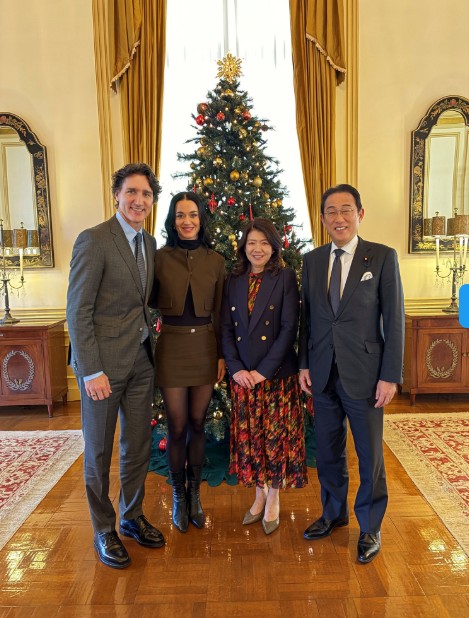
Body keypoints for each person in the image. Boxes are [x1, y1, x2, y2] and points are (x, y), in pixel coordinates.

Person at [66, 163, 165, 569]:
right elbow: (78, 310)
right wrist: (91, 370)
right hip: (102, 368)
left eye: (146, 194)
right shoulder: (94, 240)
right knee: (99, 450)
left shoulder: (150, 243)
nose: (139, 201)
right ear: (117, 196)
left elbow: (143, 302)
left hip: (141, 361)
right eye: (132, 193)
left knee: (137, 445)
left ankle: (131, 516)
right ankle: (103, 529)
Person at [299, 183, 404, 564]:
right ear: (322, 218)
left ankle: (370, 526)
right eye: (331, 211)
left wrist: (390, 376)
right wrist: (303, 363)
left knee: (369, 454)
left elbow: (394, 320)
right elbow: (308, 319)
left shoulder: (382, 257)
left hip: (366, 375)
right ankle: (333, 513)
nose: (339, 217)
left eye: (346, 210)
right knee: (328, 451)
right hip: (322, 372)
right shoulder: (312, 261)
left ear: (360, 214)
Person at [221, 218, 307, 535]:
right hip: (243, 379)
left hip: (276, 377)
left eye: (264, 243)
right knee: (253, 440)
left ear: (274, 247)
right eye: (252, 243)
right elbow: (225, 329)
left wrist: (262, 372)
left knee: (275, 440)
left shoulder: (284, 277)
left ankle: (273, 497)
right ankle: (258, 494)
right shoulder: (233, 280)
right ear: (244, 247)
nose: (257, 249)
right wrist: (236, 369)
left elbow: (288, 329)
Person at [152, 191, 226, 533]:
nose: (187, 221)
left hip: (205, 348)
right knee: (177, 425)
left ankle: (195, 494)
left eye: (193, 214)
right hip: (171, 347)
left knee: (198, 423)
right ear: (172, 220)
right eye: (180, 215)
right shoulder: (159, 258)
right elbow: (145, 301)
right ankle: (178, 496)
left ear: (201, 219)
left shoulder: (216, 260)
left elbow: (221, 312)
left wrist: (221, 354)